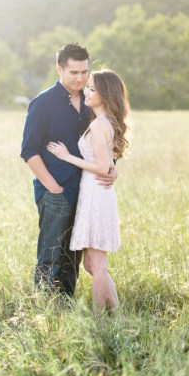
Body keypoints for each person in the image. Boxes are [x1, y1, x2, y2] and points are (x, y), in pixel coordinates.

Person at [20, 44, 117, 298]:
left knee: (72, 257)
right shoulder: (43, 103)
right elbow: (29, 150)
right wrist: (53, 186)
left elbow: (101, 144)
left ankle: (65, 304)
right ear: (59, 69)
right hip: (56, 190)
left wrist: (112, 168)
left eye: (84, 72)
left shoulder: (89, 102)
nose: (80, 78)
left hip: (85, 191)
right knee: (51, 254)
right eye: (73, 72)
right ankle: (45, 308)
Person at [47, 69, 130, 313]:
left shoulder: (98, 126)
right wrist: (111, 169)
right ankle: (117, 316)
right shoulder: (102, 123)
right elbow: (108, 165)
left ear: (105, 95)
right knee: (93, 266)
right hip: (94, 191)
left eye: (92, 88)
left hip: (96, 193)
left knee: (97, 265)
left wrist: (67, 157)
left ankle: (100, 321)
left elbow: (102, 167)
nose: (86, 91)